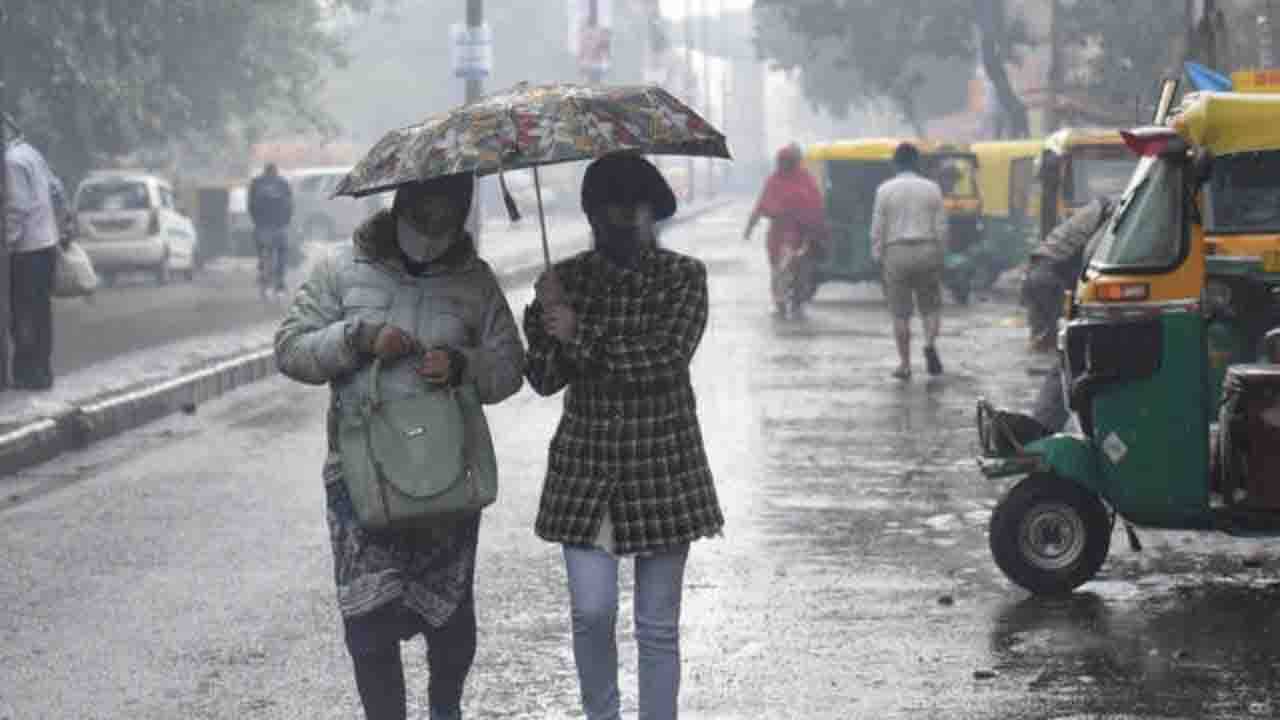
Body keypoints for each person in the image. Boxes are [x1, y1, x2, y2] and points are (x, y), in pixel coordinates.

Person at [274, 172, 524, 720]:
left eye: (448, 214)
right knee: (368, 626)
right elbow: (291, 348)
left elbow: (509, 367)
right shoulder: (341, 269)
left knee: (451, 623)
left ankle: (445, 710)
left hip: (446, 473)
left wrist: (461, 365)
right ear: (403, 205)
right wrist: (357, 339)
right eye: (425, 212)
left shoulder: (475, 281)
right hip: (362, 475)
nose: (434, 228)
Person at [524, 152, 724, 720]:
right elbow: (542, 379)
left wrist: (580, 332)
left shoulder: (684, 277)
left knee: (657, 626)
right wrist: (544, 318)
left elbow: (664, 358)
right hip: (586, 471)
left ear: (653, 212)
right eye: (610, 212)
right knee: (591, 613)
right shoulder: (568, 281)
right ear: (591, 215)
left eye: (634, 210)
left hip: (663, 466)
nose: (624, 223)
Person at [870, 142, 948, 381]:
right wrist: (940, 254)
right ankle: (928, 344)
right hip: (927, 249)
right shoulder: (932, 189)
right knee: (930, 307)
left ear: (896, 163)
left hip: (896, 252)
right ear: (917, 163)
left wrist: (877, 256)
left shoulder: (884, 190)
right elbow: (941, 227)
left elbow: (878, 227)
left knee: (900, 314)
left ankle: (904, 365)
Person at [3, 114, 62, 390]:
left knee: (22, 314)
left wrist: (9, 243)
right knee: (41, 312)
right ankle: (43, 370)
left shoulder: (11, 162)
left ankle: (28, 373)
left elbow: (17, 206)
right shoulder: (31, 153)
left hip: (26, 250)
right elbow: (56, 188)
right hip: (47, 245)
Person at [1022, 196, 1117, 352]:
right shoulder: (1107, 217)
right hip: (1049, 275)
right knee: (1056, 332)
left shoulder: (1088, 213)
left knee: (1041, 336)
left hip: (1035, 270)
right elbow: (1088, 255)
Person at [743, 143, 828, 319]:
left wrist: (817, 231)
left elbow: (816, 206)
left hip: (802, 236)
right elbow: (761, 205)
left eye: (787, 161)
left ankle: (797, 302)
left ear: (794, 161)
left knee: (801, 271)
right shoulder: (774, 180)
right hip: (778, 237)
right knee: (778, 271)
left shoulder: (806, 179)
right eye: (781, 161)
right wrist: (750, 227)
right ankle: (780, 302)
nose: (783, 165)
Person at [248, 162, 293, 299]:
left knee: (263, 255)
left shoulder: (256, 183)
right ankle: (279, 285)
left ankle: (265, 284)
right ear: (276, 171)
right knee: (281, 255)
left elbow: (250, 205)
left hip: (262, 226)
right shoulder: (283, 184)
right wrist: (286, 221)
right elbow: (290, 205)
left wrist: (256, 222)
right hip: (279, 226)